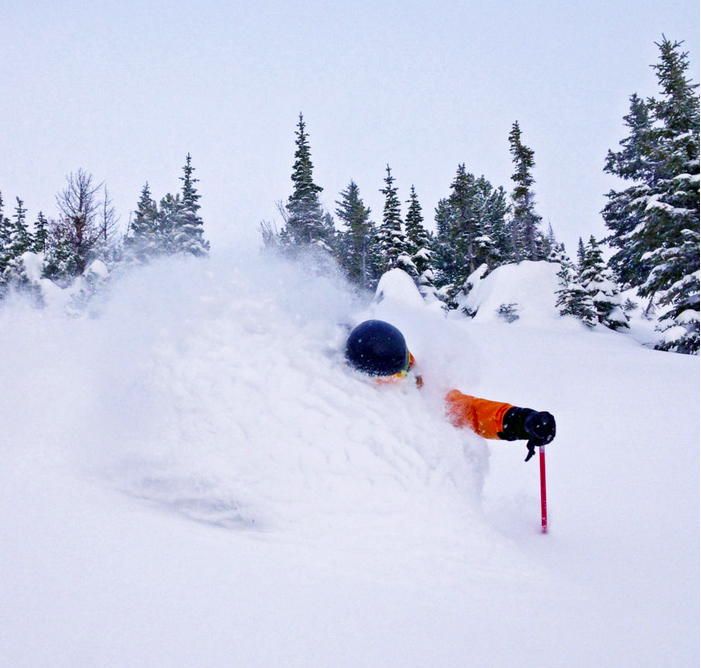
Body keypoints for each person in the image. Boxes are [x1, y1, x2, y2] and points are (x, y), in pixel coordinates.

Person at [345, 319, 556, 461]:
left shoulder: (417, 384)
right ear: (369, 376)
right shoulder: (341, 400)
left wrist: (519, 420)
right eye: (398, 374)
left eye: (407, 363)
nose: (407, 375)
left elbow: (469, 411)